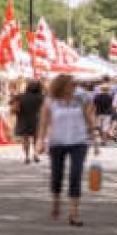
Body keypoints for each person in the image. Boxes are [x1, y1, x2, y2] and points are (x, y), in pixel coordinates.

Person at [37, 73, 97, 226]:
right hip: (57, 142)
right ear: (62, 86)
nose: (75, 87)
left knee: (75, 175)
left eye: (75, 85)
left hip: (79, 141)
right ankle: (56, 200)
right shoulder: (50, 101)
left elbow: (88, 119)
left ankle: (74, 213)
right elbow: (43, 123)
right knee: (57, 174)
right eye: (72, 85)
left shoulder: (79, 100)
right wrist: (40, 141)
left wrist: (95, 140)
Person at [11, 78, 46, 164]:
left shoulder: (20, 96)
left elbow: (13, 107)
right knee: (36, 138)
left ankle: (27, 157)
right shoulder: (42, 97)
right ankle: (35, 155)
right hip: (37, 120)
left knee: (25, 139)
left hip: (24, 119)